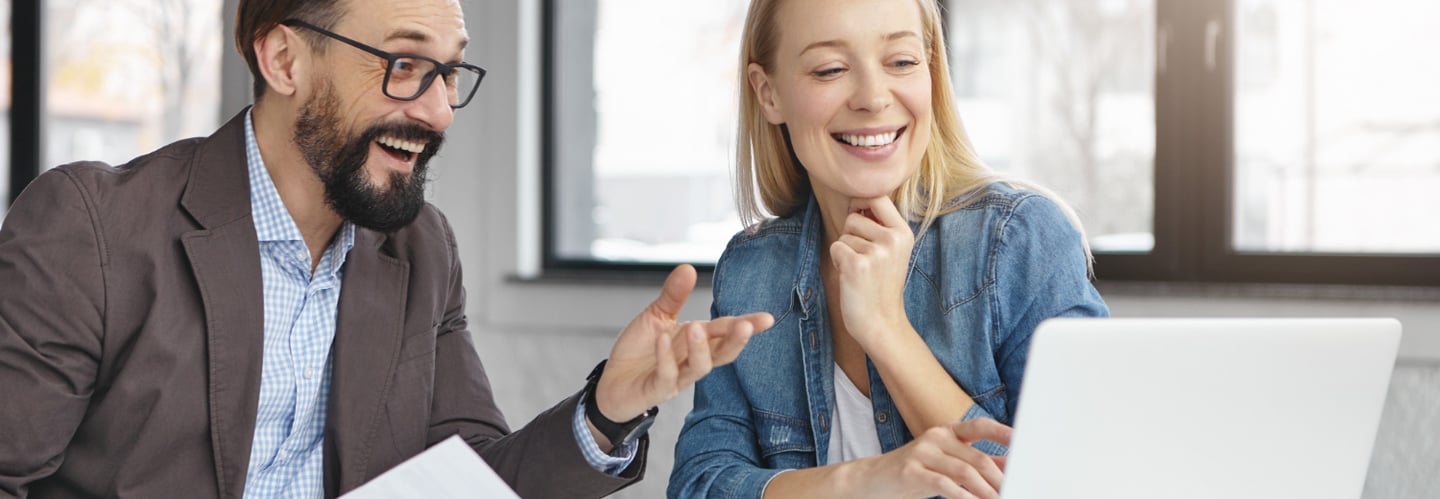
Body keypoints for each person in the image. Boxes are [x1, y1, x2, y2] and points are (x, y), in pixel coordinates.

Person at [0, 0, 773, 497]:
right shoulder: (92, 227)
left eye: (450, 72)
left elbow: (470, 475)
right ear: (284, 60)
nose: (438, 111)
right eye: (405, 66)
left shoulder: (421, 249)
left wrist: (604, 412)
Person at [669, 0, 1109, 497]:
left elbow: (1080, 483)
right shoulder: (751, 271)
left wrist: (886, 328)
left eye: (901, 61)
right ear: (768, 93)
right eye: (830, 69)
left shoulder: (1018, 241)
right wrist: (866, 479)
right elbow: (699, 483)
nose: (874, 98)